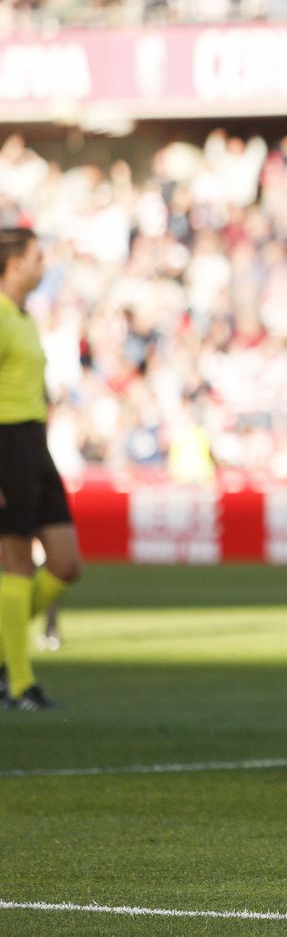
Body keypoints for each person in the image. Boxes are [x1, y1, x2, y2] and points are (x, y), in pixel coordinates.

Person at [0, 227, 83, 711]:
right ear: (14, 263)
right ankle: (20, 683)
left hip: (34, 442)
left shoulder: (23, 317)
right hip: (6, 441)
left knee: (66, 563)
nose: (44, 265)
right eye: (37, 257)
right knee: (14, 560)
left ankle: (5, 655)